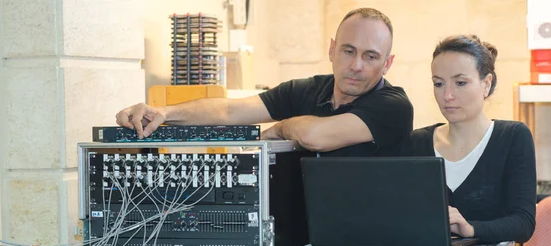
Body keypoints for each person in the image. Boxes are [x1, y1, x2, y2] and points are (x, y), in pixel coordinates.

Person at [116, 8, 413, 156]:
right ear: (332, 49)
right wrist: (164, 113)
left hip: (369, 244)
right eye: (348, 51)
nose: (356, 65)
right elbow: (228, 112)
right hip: (299, 242)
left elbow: (316, 135)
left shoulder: (393, 107)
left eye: (371, 56)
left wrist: (282, 127)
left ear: (387, 64)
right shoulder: (306, 90)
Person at [400, 35, 536, 244]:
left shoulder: (513, 137)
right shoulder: (416, 142)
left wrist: (470, 228)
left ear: (486, 84)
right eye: (438, 84)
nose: (447, 95)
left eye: (460, 83)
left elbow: (523, 223)